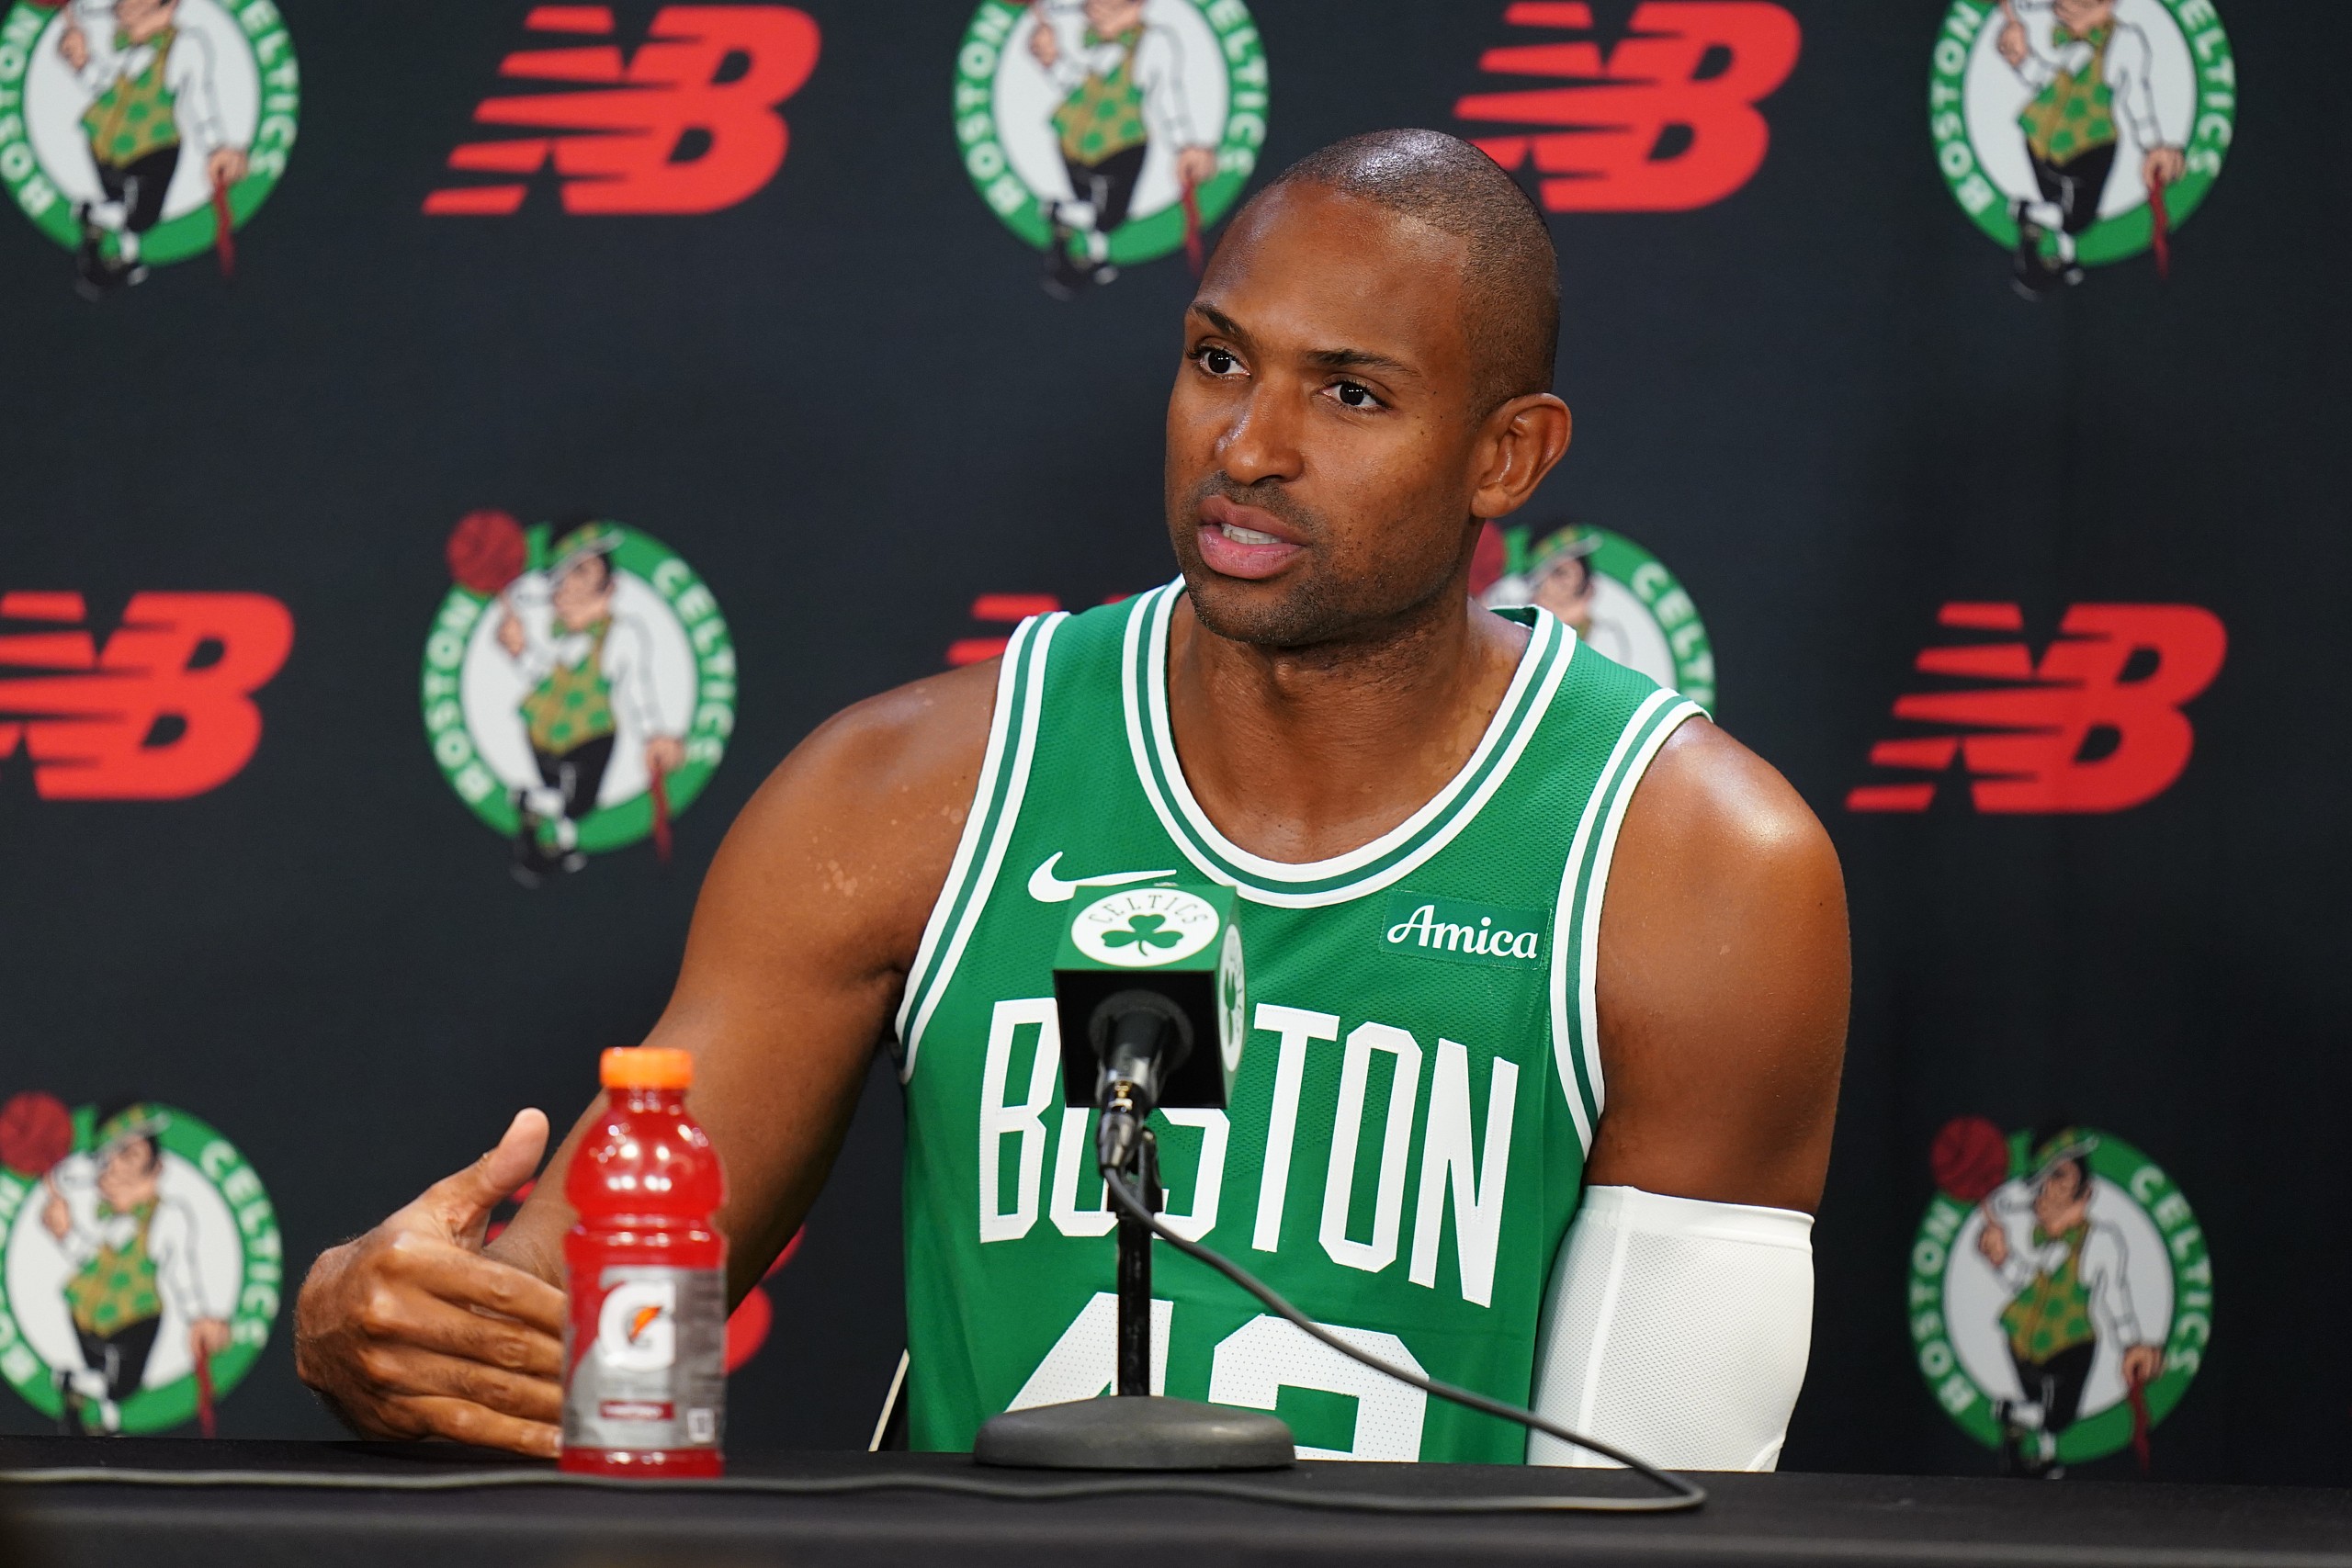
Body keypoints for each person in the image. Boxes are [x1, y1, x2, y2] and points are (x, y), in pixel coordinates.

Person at [294, 130, 1848, 1468]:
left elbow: (1663, 1488)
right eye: (1219, 359)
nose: (1248, 447)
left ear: (1507, 455)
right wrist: (376, 1321)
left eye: (1352, 396)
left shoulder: (1697, 864)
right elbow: (558, 1348)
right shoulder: (910, 792)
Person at [493, 523, 686, 885]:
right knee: (565, 800)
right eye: (562, 575)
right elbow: (544, 673)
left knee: (577, 804)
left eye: (581, 571)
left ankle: (538, 812)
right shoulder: (554, 633)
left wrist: (653, 735)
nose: (567, 585)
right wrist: (520, 651)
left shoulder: (623, 634)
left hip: (590, 734)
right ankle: (544, 829)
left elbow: (636, 688)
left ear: (610, 585)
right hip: (540, 730)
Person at [1976, 1128, 2165, 1477]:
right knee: (2042, 1407)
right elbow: (2025, 1282)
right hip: (2020, 1338)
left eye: (2060, 1177)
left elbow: (2114, 1295)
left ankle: (2016, 1421)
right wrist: (2001, 1258)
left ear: (2086, 1191)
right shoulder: (2034, 1237)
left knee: (2058, 1415)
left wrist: (2131, 1344)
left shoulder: (2101, 1240)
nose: (2047, 1191)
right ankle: (2037, 1449)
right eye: (2042, 1180)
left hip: (2070, 1342)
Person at [41, 1102, 231, 1434]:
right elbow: (90, 1256)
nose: (114, 1170)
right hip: (85, 1312)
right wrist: (65, 1233)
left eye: (129, 1156)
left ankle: (79, 1389)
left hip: (134, 1318)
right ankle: (102, 1421)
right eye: (108, 1159)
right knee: (105, 1379)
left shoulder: (168, 1217)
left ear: (155, 1167)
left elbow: (180, 1268)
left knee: (122, 1386)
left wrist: (198, 1315)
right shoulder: (105, 1216)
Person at [56, 0, 248, 298]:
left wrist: (215, 147)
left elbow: (197, 96)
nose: (121, 11)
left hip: (152, 150)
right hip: (102, 146)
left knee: (142, 216)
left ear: (169, 7)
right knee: (119, 203)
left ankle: (99, 222)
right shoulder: (120, 44)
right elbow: (107, 86)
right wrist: (82, 62)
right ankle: (113, 246)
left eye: (133, 7)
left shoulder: (185, 45)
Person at [1027, 0, 1219, 297]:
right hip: (1071, 141)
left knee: (1110, 214)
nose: (1096, 7)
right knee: (1090, 204)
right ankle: (1092, 251)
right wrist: (1051, 60)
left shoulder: (1155, 42)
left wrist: (1185, 145)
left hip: (1120, 146)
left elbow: (1166, 94)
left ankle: (1062, 216)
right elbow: (1078, 84)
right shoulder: (1085, 38)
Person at [1994, 0, 2187, 295]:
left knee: (2075, 216)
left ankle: (2031, 216)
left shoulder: (2125, 41)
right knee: (2062, 208)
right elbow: (2045, 79)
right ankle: (2062, 252)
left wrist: (2152, 146)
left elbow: (2134, 94)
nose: (2061, 6)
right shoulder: (2053, 30)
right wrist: (2018, 51)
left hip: (2085, 146)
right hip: (2039, 139)